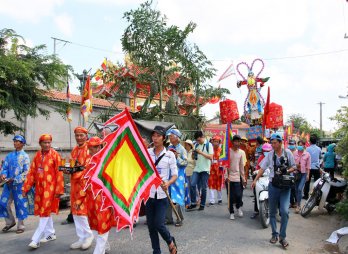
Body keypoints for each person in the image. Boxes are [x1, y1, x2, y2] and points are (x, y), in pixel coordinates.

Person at [251, 133, 296, 249]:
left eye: (275, 142)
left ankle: (282, 237)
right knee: (272, 212)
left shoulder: (288, 153)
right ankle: (274, 234)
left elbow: (294, 167)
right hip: (273, 186)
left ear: (280, 142)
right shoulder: (270, 155)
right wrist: (255, 180)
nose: (273, 145)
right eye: (272, 142)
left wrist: (286, 171)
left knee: (285, 211)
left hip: (285, 187)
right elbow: (262, 168)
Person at [22, 134, 64, 249]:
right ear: (40, 144)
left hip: (51, 190)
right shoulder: (37, 155)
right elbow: (31, 173)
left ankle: (36, 239)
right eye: (44, 142)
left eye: (49, 142)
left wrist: (59, 189)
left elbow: (59, 173)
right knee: (44, 211)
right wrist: (26, 187)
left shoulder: (55, 155)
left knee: (44, 213)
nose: (47, 144)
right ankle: (50, 233)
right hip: (40, 190)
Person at [147, 126, 178, 254]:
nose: (155, 138)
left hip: (162, 195)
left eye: (158, 136)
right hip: (149, 195)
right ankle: (156, 251)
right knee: (151, 227)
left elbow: (175, 175)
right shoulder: (147, 153)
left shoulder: (170, 155)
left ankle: (170, 240)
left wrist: (168, 183)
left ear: (163, 138)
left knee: (159, 224)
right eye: (153, 136)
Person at [82, 136, 116, 254]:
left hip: (104, 199)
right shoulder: (89, 161)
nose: (91, 150)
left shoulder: (108, 161)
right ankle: (104, 246)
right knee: (95, 225)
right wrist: (81, 199)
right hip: (91, 199)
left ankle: (98, 251)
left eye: (93, 148)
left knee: (103, 225)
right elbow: (84, 181)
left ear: (99, 147)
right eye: (90, 148)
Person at [66, 126, 94, 250]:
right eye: (77, 135)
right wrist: (67, 169)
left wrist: (74, 172)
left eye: (81, 135)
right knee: (75, 211)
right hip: (74, 184)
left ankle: (89, 235)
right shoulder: (74, 149)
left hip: (84, 184)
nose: (79, 138)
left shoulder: (89, 149)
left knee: (82, 211)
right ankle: (81, 237)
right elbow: (72, 165)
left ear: (86, 136)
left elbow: (87, 168)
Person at [0, 135, 30, 234]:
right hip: (8, 185)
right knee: (3, 203)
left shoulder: (25, 156)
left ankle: (21, 225)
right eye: (14, 141)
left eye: (17, 141)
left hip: (19, 185)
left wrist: (15, 179)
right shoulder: (9, 156)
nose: (15, 143)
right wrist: (3, 175)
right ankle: (10, 222)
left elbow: (26, 172)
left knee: (20, 204)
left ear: (22, 143)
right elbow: (4, 168)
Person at [187, 131, 213, 211]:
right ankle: (194, 203)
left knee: (204, 188)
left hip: (205, 169)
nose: (198, 141)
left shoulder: (209, 145)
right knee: (192, 184)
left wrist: (201, 152)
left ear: (202, 137)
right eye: (197, 140)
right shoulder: (196, 145)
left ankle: (202, 204)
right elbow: (195, 157)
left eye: (199, 140)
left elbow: (211, 157)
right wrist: (194, 155)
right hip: (197, 168)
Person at [166, 129, 187, 227]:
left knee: (178, 197)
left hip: (179, 176)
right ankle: (168, 218)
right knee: (168, 196)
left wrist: (177, 157)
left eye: (171, 136)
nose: (170, 138)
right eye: (169, 136)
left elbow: (185, 163)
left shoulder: (182, 149)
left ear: (177, 137)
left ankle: (179, 218)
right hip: (169, 175)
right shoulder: (169, 147)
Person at [225, 135, 246, 220]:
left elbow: (241, 166)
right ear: (233, 142)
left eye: (239, 141)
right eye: (236, 141)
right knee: (230, 196)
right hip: (229, 177)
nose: (237, 143)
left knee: (238, 195)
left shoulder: (241, 152)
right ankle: (231, 212)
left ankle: (238, 207)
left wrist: (243, 178)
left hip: (237, 177)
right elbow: (225, 165)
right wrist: (226, 176)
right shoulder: (228, 152)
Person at [250, 143, 272, 219]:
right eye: (265, 151)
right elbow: (258, 168)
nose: (267, 152)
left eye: (268, 151)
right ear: (262, 151)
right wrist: (256, 173)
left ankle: (278, 211)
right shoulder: (261, 158)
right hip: (261, 178)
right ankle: (256, 210)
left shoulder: (273, 157)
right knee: (256, 193)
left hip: (271, 178)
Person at [293, 140, 311, 213]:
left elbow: (308, 166)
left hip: (303, 174)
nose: (300, 146)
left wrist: (308, 175)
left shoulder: (307, 154)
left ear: (304, 146)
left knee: (300, 189)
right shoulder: (295, 153)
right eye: (299, 145)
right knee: (297, 190)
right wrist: (295, 166)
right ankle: (297, 203)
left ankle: (298, 205)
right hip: (296, 173)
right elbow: (292, 163)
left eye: (301, 145)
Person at [303, 135, 322, 200]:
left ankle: (306, 196)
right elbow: (320, 157)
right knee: (317, 182)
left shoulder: (307, 149)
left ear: (310, 141)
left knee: (307, 182)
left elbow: (305, 158)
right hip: (316, 167)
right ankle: (316, 196)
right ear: (316, 141)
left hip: (309, 168)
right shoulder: (319, 149)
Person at [208, 136, 223, 206]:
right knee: (211, 183)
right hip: (211, 168)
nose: (215, 143)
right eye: (214, 141)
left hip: (219, 169)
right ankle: (212, 200)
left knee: (219, 183)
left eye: (217, 142)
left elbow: (223, 160)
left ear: (219, 142)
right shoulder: (210, 150)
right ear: (212, 142)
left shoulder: (221, 150)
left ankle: (220, 198)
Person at [184, 139, 195, 206]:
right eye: (185, 144)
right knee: (186, 187)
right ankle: (188, 201)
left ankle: (195, 200)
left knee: (192, 187)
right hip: (185, 171)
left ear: (190, 146)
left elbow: (194, 162)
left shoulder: (193, 153)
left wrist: (187, 160)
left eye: (187, 145)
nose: (186, 146)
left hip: (192, 171)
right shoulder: (184, 152)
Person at [288, 140, 297, 208]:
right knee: (290, 188)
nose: (291, 145)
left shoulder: (297, 152)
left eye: (292, 144)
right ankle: (292, 202)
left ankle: (296, 202)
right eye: (290, 144)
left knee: (295, 189)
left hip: (297, 173)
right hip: (289, 173)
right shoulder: (287, 152)